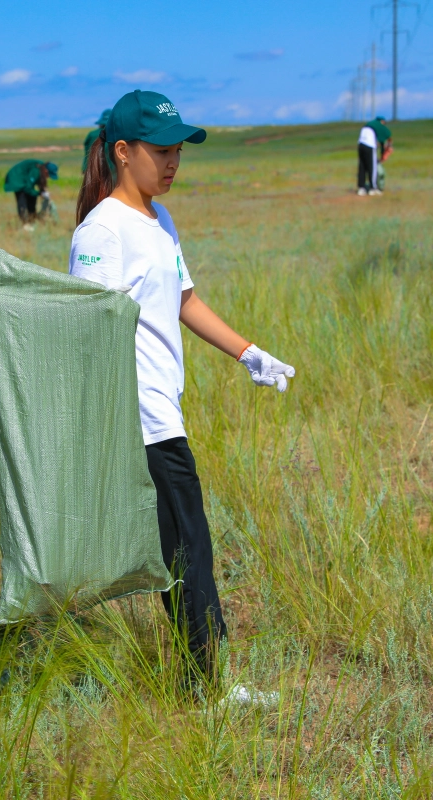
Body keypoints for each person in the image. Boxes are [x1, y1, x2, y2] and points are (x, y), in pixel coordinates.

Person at [69, 89, 295, 697]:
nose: (173, 163)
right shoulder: (102, 232)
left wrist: (248, 352)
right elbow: (90, 329)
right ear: (123, 152)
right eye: (161, 150)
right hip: (138, 424)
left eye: (179, 152)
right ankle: (208, 692)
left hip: (163, 413)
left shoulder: (159, 221)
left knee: (138, 557)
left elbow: (185, 300)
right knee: (188, 551)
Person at [4, 159, 58, 229]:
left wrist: (43, 191)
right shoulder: (36, 171)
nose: (49, 177)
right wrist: (40, 193)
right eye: (49, 175)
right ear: (46, 171)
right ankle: (25, 224)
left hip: (24, 179)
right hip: (16, 178)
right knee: (22, 198)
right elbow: (28, 188)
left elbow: (38, 183)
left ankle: (31, 219)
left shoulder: (41, 168)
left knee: (32, 197)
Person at [357, 115, 391, 196]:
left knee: (362, 166)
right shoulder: (380, 124)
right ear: (382, 121)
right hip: (369, 144)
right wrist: (385, 152)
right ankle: (373, 188)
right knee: (372, 166)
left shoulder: (369, 123)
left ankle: (361, 188)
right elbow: (388, 135)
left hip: (360, 144)